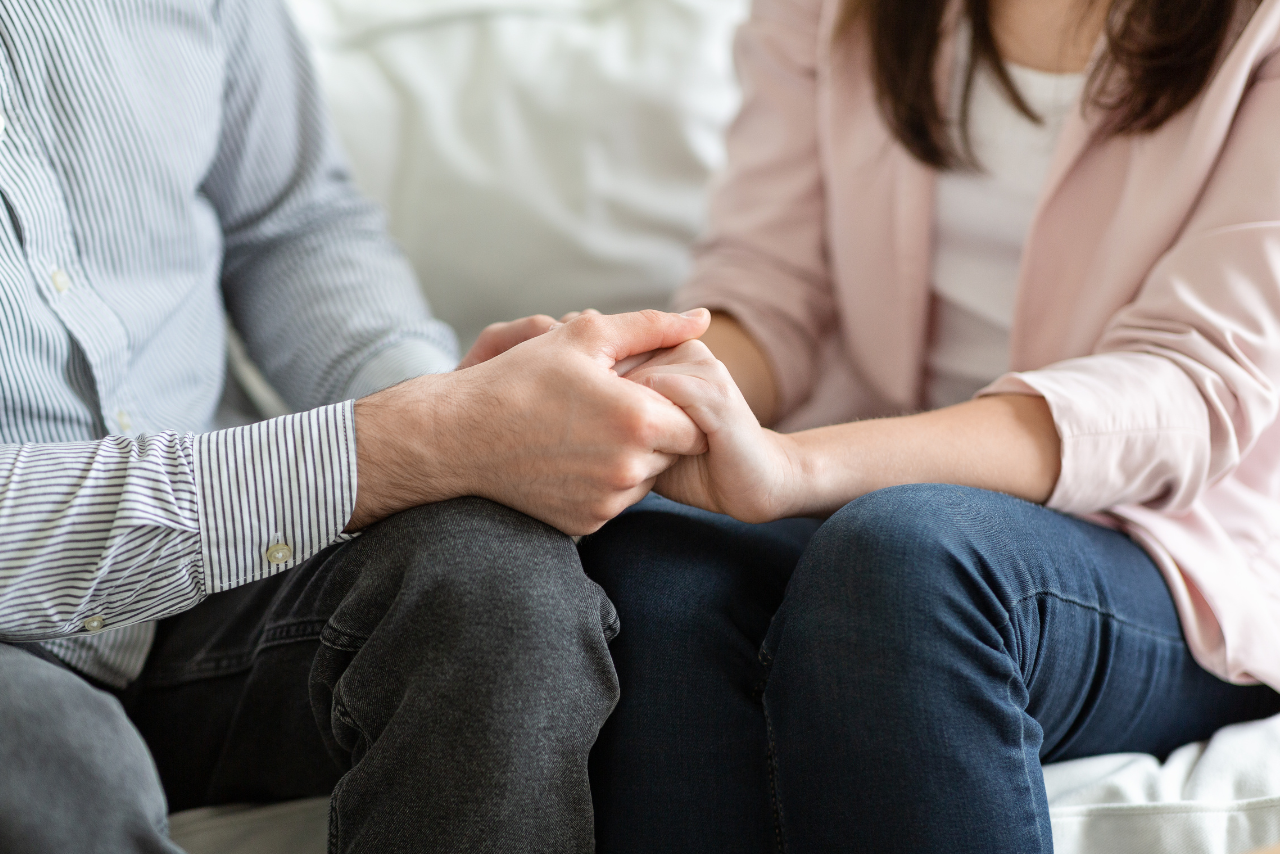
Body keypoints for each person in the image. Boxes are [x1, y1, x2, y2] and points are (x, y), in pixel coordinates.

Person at [0, 2, 712, 852]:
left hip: (212, 587)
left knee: (491, 574)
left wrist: (452, 408)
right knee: (55, 764)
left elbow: (290, 225)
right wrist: (417, 438)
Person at [581, 0, 1280, 850]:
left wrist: (796, 467)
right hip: (871, 501)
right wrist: (627, 379)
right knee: (653, 565)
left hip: (1181, 549)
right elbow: (770, 290)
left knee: (907, 561)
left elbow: (1193, 386)